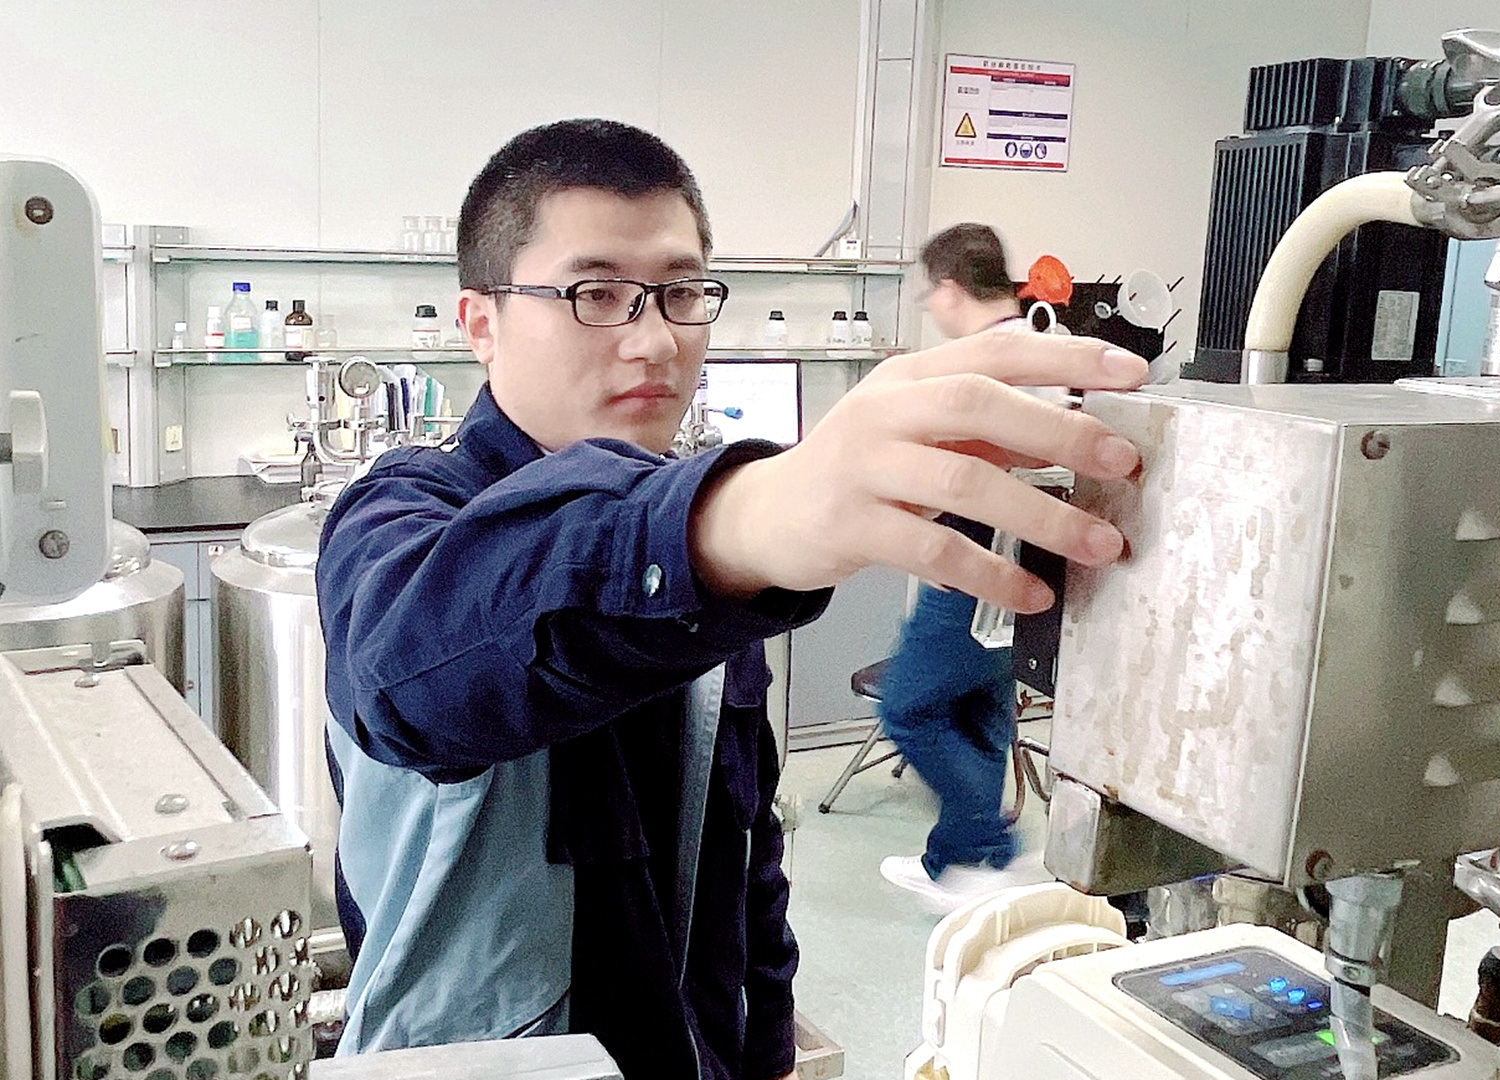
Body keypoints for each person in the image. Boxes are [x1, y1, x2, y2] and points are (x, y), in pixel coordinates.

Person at [316, 119, 1146, 1080]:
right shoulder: (403, 518)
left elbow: (747, 849)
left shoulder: (714, 561)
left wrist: (769, 1043)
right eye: (596, 295)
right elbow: (404, 674)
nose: (655, 339)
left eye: (680, 293)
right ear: (481, 324)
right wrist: (726, 524)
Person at [878, 224, 1040, 913]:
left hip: (970, 576)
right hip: (1032, 583)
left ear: (948, 289)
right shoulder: (1044, 347)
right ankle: (956, 859)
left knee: (908, 708)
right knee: (978, 714)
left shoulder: (975, 371)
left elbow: (935, 476)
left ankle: (991, 852)